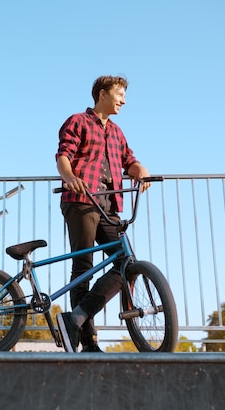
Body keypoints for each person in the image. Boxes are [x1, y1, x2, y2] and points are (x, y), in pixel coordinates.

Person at [55, 75, 151, 353]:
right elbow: (63, 155)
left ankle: (76, 317)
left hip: (109, 204)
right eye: (119, 94)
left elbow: (129, 162)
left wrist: (141, 172)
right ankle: (89, 341)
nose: (123, 100)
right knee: (83, 267)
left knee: (127, 263)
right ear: (102, 94)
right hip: (81, 199)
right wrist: (69, 176)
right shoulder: (78, 121)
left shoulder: (118, 132)